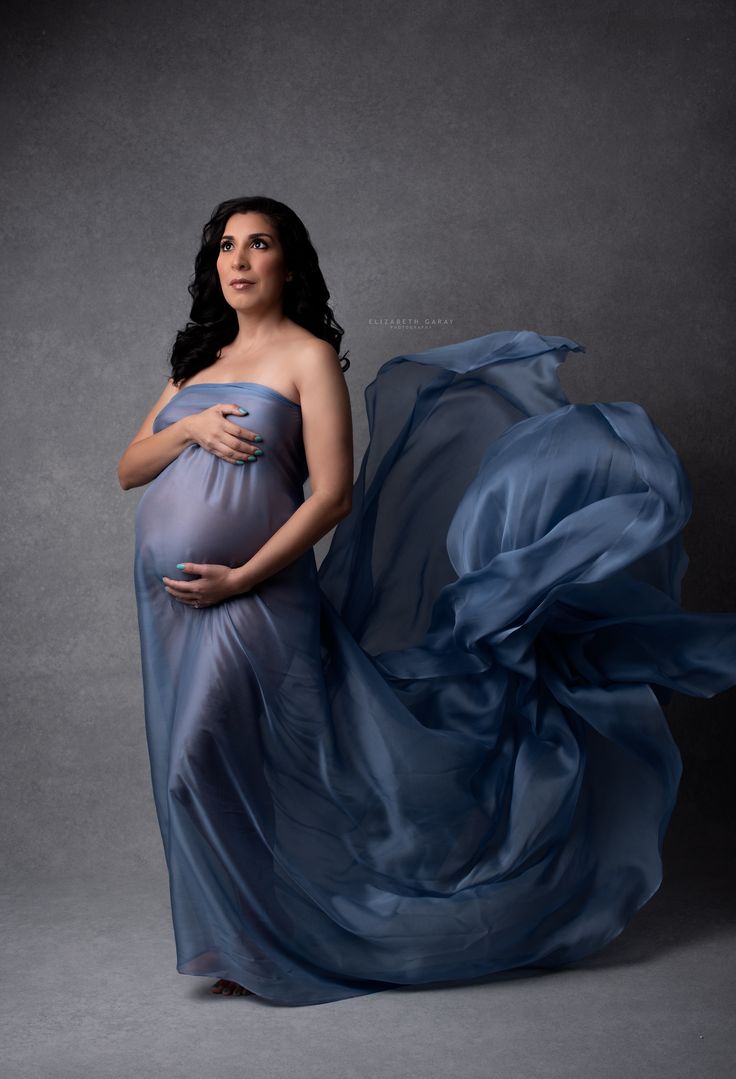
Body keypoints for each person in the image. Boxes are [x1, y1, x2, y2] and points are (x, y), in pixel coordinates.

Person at [119, 195, 736, 1006]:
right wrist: (190, 431)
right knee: (196, 764)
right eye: (225, 246)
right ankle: (239, 943)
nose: (236, 260)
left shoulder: (306, 358)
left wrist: (241, 578)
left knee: (209, 761)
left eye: (257, 244)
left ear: (289, 265)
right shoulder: (194, 364)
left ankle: (284, 939)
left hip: (255, 595)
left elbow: (332, 497)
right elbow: (131, 465)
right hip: (168, 601)